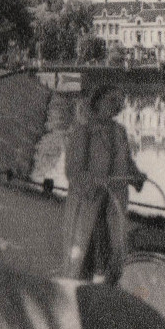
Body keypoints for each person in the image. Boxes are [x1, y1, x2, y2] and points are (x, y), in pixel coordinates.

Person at [61, 86, 147, 285]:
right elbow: (73, 170)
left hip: (114, 204)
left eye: (118, 102)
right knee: (83, 255)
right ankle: (78, 294)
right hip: (88, 204)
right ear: (97, 102)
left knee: (115, 253)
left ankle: (108, 295)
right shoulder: (83, 131)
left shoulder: (119, 131)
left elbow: (126, 162)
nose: (115, 105)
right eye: (111, 100)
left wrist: (136, 176)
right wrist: (92, 181)